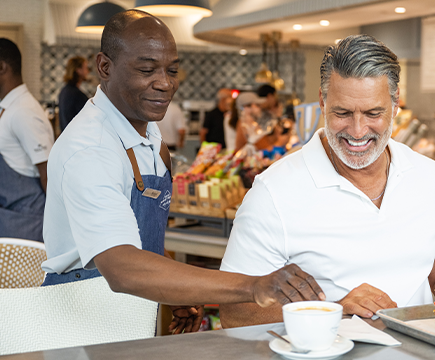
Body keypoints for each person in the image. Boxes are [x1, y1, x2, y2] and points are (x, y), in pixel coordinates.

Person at [41, 10, 325, 334]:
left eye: (172, 70)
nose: (164, 83)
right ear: (104, 67)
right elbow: (121, 267)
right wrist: (253, 287)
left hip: (129, 317)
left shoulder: (148, 133)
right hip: (76, 327)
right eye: (147, 69)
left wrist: (175, 288)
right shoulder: (90, 149)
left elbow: (136, 237)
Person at [219, 34, 435, 327]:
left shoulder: (427, 174)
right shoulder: (273, 192)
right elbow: (235, 313)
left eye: (373, 113)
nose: (357, 130)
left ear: (395, 104)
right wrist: (332, 310)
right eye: (342, 113)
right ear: (322, 102)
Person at [0, 38, 55, 242]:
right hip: (12, 217)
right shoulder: (10, 108)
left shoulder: (23, 112)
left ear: (2, 67)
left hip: (28, 224)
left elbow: (48, 174)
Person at [58, 56, 90, 132]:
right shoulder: (77, 95)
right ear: (78, 70)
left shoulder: (64, 91)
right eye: (85, 68)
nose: (87, 71)